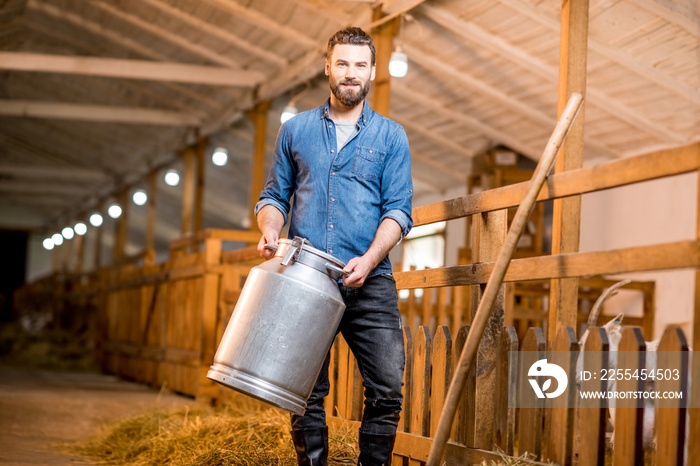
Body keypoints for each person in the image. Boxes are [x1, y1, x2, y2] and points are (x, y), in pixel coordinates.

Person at [255, 26, 413, 466]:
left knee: (387, 388)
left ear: (373, 73)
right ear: (328, 67)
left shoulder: (391, 137)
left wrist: (371, 257)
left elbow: (399, 210)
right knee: (306, 388)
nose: (350, 73)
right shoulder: (296, 131)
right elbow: (274, 196)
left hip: (371, 280)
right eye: (342, 63)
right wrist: (270, 228)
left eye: (359, 65)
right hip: (307, 275)